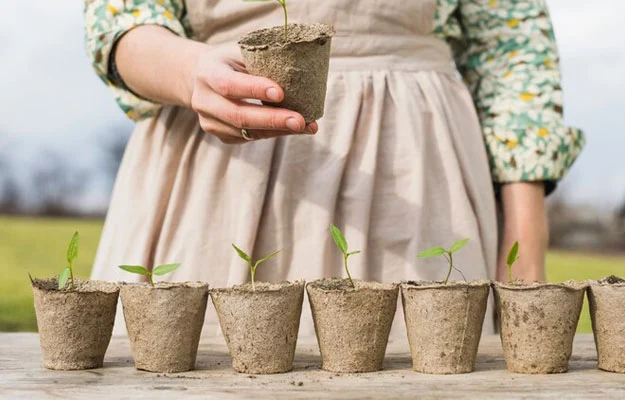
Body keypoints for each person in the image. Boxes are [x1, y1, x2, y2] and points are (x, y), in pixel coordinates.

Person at [85, 0, 583, 336]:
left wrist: (525, 254)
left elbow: (513, 51)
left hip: (416, 171)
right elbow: (122, 20)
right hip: (214, 170)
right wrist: (191, 72)